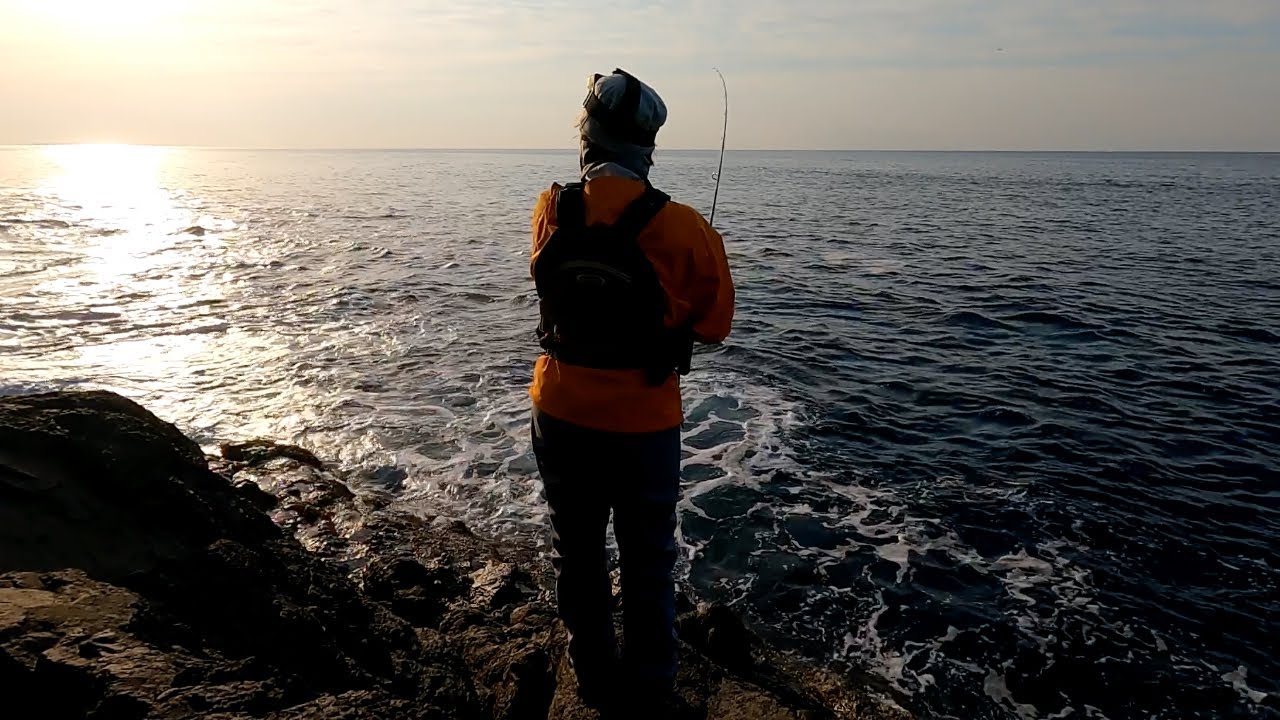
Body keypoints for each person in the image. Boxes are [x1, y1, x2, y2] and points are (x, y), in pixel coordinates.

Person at [528, 68, 735, 706]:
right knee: (647, 561)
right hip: (643, 423)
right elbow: (716, 325)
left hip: (559, 410)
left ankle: (592, 675)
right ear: (648, 148)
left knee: (577, 549)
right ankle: (651, 691)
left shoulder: (551, 207)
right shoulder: (684, 227)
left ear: (586, 138)